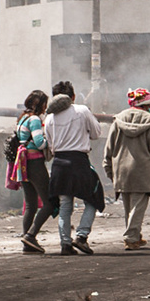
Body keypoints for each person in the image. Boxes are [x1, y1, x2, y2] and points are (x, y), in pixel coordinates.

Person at [45, 79, 106, 255]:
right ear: (72, 96)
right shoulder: (82, 110)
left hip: (59, 163)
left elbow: (50, 144)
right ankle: (81, 236)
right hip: (78, 162)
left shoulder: (49, 118)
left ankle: (65, 244)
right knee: (93, 199)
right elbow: (96, 133)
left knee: (65, 205)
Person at [106, 88, 150, 250]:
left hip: (121, 169)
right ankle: (131, 237)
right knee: (138, 205)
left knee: (128, 205)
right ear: (147, 104)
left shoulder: (118, 120)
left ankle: (135, 235)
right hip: (143, 170)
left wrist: (108, 169)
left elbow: (109, 148)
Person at [15, 90, 54, 253]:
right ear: (41, 105)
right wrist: (50, 141)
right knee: (50, 203)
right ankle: (31, 235)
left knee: (31, 205)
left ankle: (27, 242)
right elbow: (39, 142)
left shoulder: (22, 118)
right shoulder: (35, 119)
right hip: (35, 163)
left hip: (22, 164)